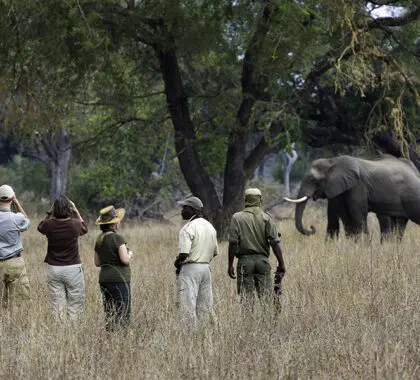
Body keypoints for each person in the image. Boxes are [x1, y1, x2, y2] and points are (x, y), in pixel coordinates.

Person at [228, 188, 286, 304]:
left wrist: (230, 265)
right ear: (260, 200)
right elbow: (275, 243)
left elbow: (233, 243)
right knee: (266, 299)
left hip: (245, 262)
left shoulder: (237, 217)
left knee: (246, 299)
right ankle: (266, 321)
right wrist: (281, 263)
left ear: (245, 200)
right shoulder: (266, 217)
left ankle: (249, 321)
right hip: (262, 262)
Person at [37, 195, 88, 320]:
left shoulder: (49, 225)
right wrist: (76, 211)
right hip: (72, 268)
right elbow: (84, 228)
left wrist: (49, 212)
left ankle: (59, 333)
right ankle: (72, 333)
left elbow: (40, 227)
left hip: (54, 269)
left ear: (54, 210)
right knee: (75, 303)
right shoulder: (75, 224)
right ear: (68, 208)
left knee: (57, 304)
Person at [174, 196, 219, 327]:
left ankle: (190, 336)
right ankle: (206, 333)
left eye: (184, 208)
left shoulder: (187, 228)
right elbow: (215, 252)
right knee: (205, 306)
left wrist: (177, 262)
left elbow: (184, 253)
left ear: (192, 210)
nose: (181, 211)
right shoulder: (210, 227)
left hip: (190, 269)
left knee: (188, 304)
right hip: (206, 269)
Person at [94, 205, 133, 330]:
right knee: (123, 311)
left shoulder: (99, 239)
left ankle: (110, 335)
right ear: (114, 224)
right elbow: (125, 260)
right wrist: (130, 254)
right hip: (119, 279)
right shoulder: (118, 238)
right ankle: (121, 338)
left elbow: (97, 262)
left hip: (104, 280)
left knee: (109, 311)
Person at [0, 184, 31, 308]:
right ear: (12, 198)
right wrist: (17, 203)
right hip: (14, 261)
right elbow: (27, 221)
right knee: (20, 302)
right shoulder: (17, 218)